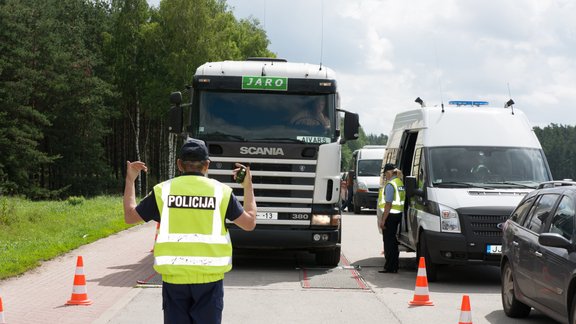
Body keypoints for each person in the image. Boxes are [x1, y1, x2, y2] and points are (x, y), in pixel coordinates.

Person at [123, 138, 257, 324]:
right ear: (207, 165)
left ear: (179, 164)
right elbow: (249, 223)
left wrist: (130, 179)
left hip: (174, 278)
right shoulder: (221, 192)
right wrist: (248, 186)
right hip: (209, 279)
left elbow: (130, 216)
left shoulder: (163, 191)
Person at [378, 163, 405, 274]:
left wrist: (383, 220)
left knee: (388, 242)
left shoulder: (391, 185)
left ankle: (389, 267)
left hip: (391, 216)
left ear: (389, 172)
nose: (385, 177)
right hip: (398, 214)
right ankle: (394, 265)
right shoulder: (400, 183)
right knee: (393, 242)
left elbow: (388, 204)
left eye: (385, 174)